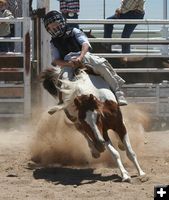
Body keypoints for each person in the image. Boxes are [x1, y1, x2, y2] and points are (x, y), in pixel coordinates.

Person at [43, 10, 127, 106]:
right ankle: (64, 103)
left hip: (84, 56)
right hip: (68, 62)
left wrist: (80, 57)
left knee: (100, 65)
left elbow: (85, 44)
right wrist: (69, 63)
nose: (55, 28)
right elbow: (56, 60)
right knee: (64, 80)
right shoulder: (53, 43)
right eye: (51, 27)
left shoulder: (74, 31)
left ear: (62, 22)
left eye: (56, 24)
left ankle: (118, 92)